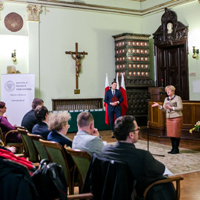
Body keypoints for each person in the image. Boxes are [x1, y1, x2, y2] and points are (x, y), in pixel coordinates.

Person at [102, 115, 175, 199]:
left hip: (109, 194)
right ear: (131, 135)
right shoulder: (142, 156)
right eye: (137, 129)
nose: (138, 131)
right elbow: (161, 169)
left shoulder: (105, 150)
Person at [152, 85, 183, 154]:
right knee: (171, 134)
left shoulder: (178, 98)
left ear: (173, 91)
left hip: (176, 117)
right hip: (169, 118)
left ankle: (176, 148)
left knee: (176, 134)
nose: (167, 92)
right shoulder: (166, 99)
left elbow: (180, 108)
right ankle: (173, 148)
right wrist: (159, 105)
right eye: (166, 91)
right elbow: (164, 109)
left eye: (169, 90)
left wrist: (171, 108)